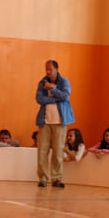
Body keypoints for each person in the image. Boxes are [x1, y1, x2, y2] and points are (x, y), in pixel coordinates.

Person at [35, 59, 75, 188]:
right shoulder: (42, 83)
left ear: (56, 70)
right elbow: (39, 99)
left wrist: (52, 88)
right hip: (45, 122)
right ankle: (43, 178)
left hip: (60, 123)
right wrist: (54, 98)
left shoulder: (64, 82)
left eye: (50, 69)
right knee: (42, 151)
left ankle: (56, 178)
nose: (47, 72)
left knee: (58, 151)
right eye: (46, 69)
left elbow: (65, 96)